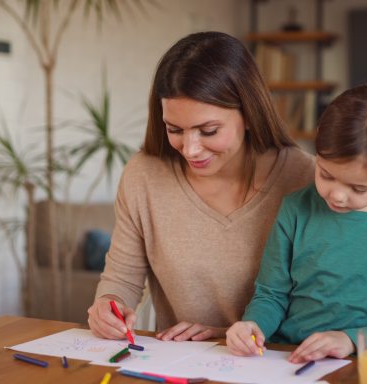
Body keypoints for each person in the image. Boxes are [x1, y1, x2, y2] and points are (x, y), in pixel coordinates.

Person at [87, 31, 314, 342]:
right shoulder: (144, 175)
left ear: (249, 114)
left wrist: (228, 336)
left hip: (278, 364)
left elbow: (326, 303)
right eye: (175, 129)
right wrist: (107, 306)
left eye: (208, 130)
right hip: (179, 367)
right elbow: (121, 279)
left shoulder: (305, 178)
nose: (190, 149)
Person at [226, 83, 367, 363]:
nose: (337, 195)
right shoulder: (295, 208)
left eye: (358, 188)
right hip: (286, 359)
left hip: (365, 363)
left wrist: (350, 340)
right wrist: (253, 325)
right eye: (325, 175)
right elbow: (271, 295)